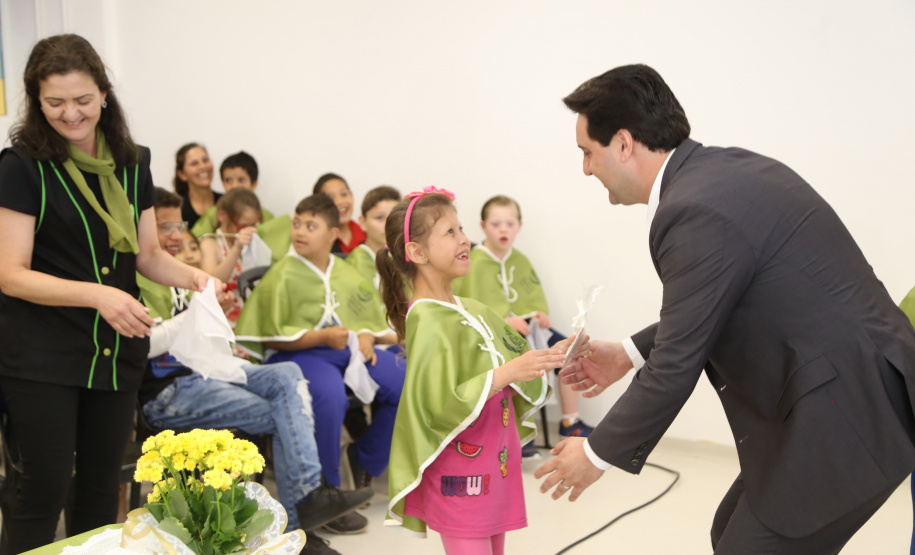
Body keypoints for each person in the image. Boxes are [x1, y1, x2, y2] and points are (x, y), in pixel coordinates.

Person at [533, 64, 915, 554]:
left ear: (624, 144)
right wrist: (626, 353)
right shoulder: (722, 173)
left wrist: (595, 452)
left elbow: (677, 363)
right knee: (726, 531)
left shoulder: (692, 211)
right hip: (851, 392)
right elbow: (717, 303)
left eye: (588, 152)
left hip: (849, 414)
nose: (586, 168)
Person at [0, 34, 213, 553]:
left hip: (115, 352)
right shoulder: (22, 167)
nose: (70, 114)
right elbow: (10, 273)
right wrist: (98, 295)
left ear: (103, 94)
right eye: (54, 103)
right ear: (35, 99)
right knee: (41, 491)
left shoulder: (131, 160)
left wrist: (196, 278)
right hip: (42, 355)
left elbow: (145, 256)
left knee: (101, 494)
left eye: (82, 100)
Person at [138, 187, 372, 554]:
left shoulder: (180, 273)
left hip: (206, 373)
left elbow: (201, 345)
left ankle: (307, 507)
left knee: (289, 376)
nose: (174, 235)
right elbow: (146, 345)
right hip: (166, 391)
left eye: (178, 226)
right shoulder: (135, 279)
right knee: (285, 410)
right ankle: (300, 526)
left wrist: (213, 319)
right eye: (162, 226)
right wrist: (195, 316)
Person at [378, 187, 575, 555]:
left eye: (462, 228)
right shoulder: (426, 317)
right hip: (460, 470)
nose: (464, 239)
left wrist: (551, 355)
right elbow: (436, 401)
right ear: (417, 252)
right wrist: (508, 373)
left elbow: (513, 356)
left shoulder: (471, 307)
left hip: (494, 460)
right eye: (449, 233)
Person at [234, 193, 406, 535]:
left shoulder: (345, 271)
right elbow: (270, 336)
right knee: (330, 397)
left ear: (332, 234)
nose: (299, 231)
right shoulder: (283, 273)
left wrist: (368, 336)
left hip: (346, 349)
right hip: (299, 354)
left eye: (311, 226)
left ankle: (364, 458)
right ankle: (327, 493)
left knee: (404, 381)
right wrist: (320, 338)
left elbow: (367, 319)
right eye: (297, 223)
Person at [452, 194, 595, 453]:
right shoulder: (475, 262)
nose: (503, 229)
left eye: (510, 223)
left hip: (530, 330)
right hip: (495, 335)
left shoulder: (520, 259)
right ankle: (515, 430)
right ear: (483, 226)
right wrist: (506, 319)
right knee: (512, 367)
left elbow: (532, 295)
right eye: (496, 224)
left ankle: (570, 421)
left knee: (570, 351)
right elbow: (473, 304)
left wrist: (537, 313)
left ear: (519, 226)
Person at [198, 187, 263, 329]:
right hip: (220, 322)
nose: (248, 230)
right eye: (243, 225)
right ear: (222, 215)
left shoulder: (251, 244)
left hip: (247, 321)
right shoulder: (210, 243)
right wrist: (236, 248)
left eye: (253, 225)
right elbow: (211, 282)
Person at [190, 151, 275, 238]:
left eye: (241, 180)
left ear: (254, 184)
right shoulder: (213, 214)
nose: (234, 186)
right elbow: (194, 239)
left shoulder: (267, 216)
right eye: (228, 181)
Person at [346, 185, 401, 288]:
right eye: (380, 218)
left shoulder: (403, 259)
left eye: (393, 217)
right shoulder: (355, 263)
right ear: (362, 222)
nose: (388, 224)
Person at [313, 173, 366, 255]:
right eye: (330, 197)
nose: (339, 202)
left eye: (344, 194)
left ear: (352, 196)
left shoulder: (368, 234)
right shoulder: (316, 242)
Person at [173, 142, 219, 230]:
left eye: (205, 160)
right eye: (194, 163)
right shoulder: (177, 209)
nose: (203, 166)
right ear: (182, 174)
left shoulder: (227, 203)